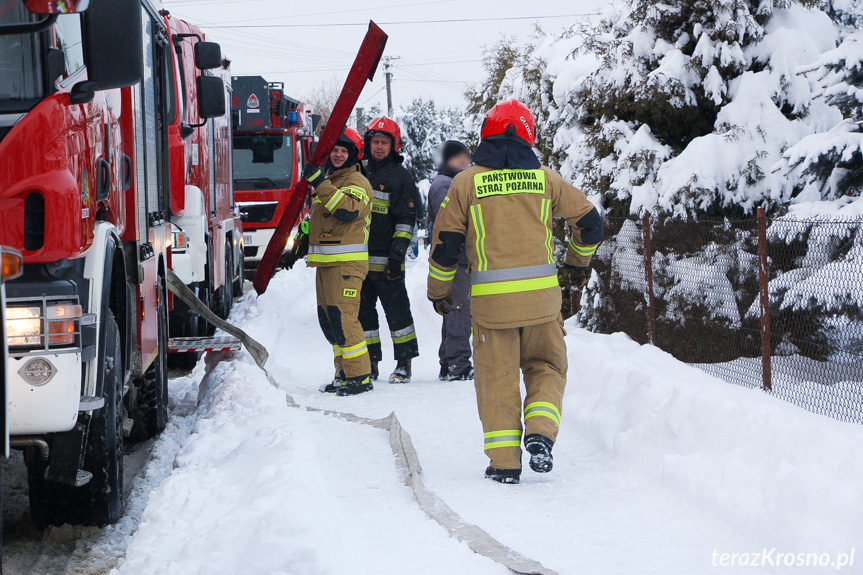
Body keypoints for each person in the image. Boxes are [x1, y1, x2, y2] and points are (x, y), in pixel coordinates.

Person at [427, 99, 604, 485]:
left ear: (485, 135)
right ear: (529, 136)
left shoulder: (465, 183)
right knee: (547, 368)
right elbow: (591, 223)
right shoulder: (546, 179)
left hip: (492, 308)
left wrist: (439, 292)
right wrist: (576, 266)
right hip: (543, 303)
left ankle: (505, 463)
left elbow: (446, 246)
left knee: (497, 378)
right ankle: (540, 432)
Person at [303, 127, 374, 397]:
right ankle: (343, 373)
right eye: (335, 149)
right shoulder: (332, 180)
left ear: (353, 155)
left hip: (347, 266)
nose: (338, 154)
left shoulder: (357, 182)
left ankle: (359, 377)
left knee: (344, 319)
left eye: (344, 150)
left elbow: (346, 210)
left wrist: (320, 182)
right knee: (330, 321)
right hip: (327, 264)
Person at [360, 116, 420, 383]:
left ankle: (404, 362)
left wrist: (396, 257)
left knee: (398, 313)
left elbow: (406, 221)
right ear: (368, 143)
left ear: (393, 146)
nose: (380, 147)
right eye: (375, 142)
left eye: (385, 142)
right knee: (363, 315)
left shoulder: (401, 177)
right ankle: (370, 362)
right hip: (359, 261)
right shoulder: (358, 173)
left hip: (388, 262)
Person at [427, 140, 473, 381]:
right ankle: (458, 364)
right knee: (459, 311)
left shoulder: (454, 183)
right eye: (457, 157)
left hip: (460, 258)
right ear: (446, 160)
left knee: (456, 310)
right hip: (454, 260)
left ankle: (449, 361)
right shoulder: (444, 185)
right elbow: (451, 224)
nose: (464, 161)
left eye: (465, 157)